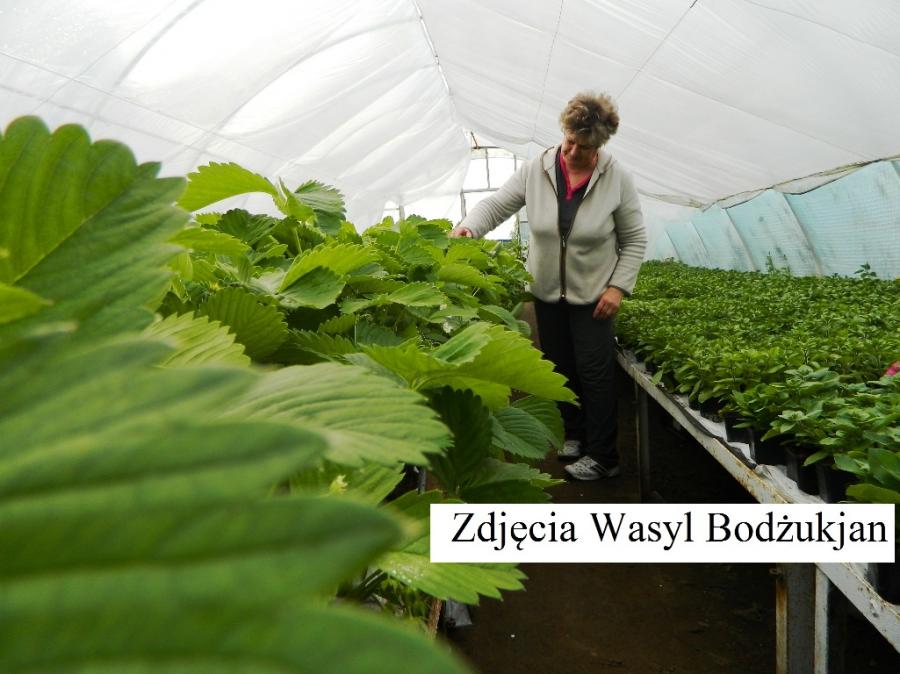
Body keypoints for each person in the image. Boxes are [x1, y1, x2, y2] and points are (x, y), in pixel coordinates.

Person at [451, 91, 647, 481]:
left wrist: (617, 288)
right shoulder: (536, 170)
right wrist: (470, 227)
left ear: (599, 146)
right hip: (547, 293)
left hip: (593, 297)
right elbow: (496, 205)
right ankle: (573, 434)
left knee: (595, 374)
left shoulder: (616, 179)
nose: (572, 151)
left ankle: (604, 456)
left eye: (583, 147)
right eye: (569, 140)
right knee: (560, 368)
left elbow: (635, 239)